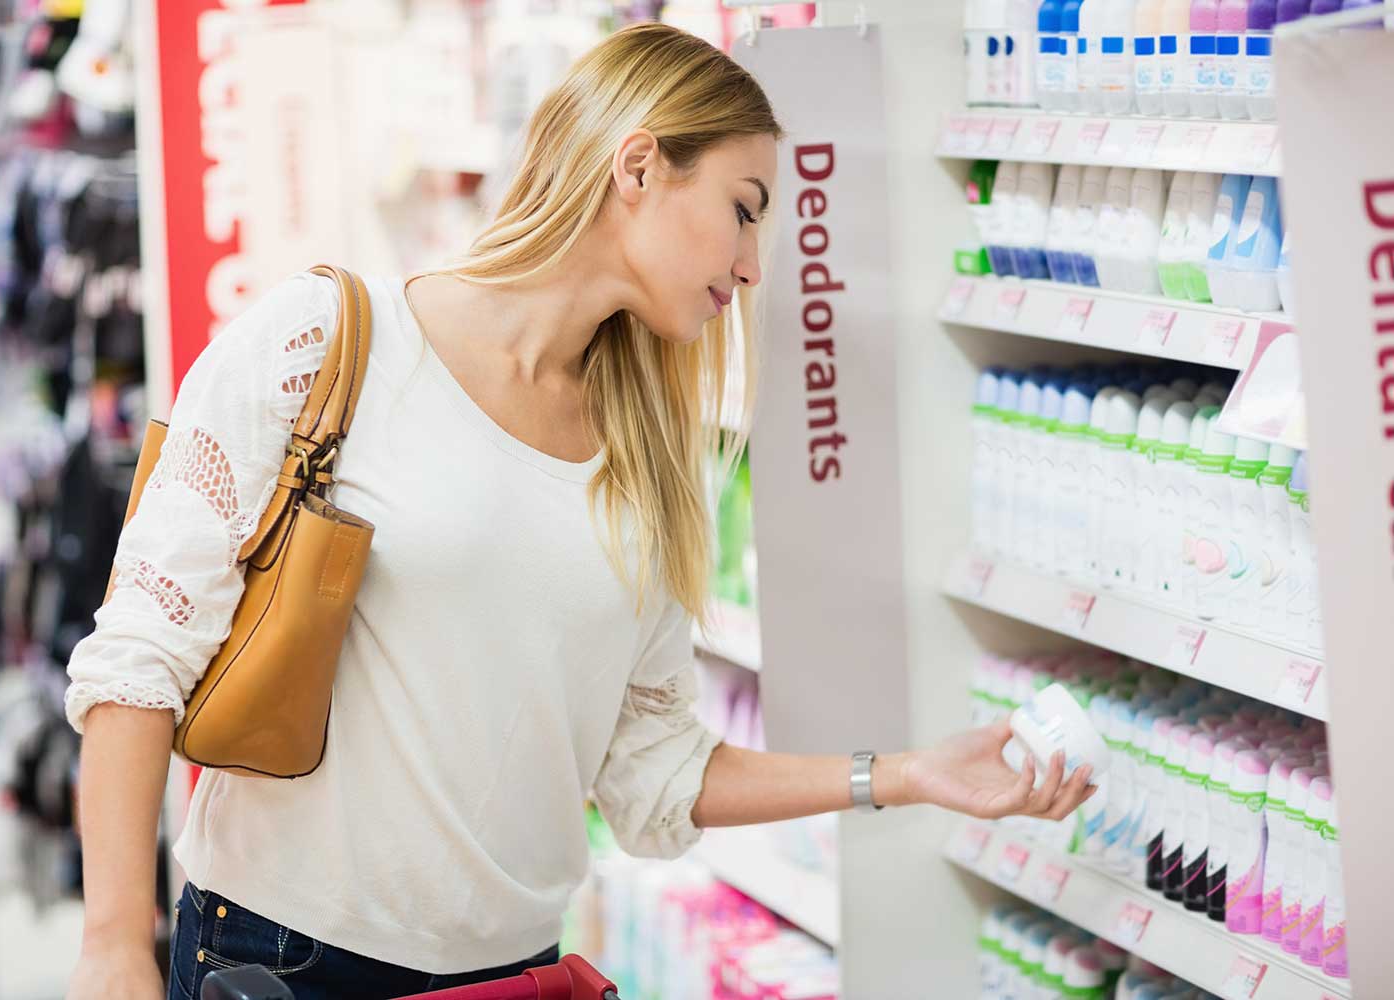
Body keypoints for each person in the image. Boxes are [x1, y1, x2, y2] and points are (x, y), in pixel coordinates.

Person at [64, 22, 1094, 1000]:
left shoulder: (648, 463)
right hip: (282, 961)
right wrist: (115, 947)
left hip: (515, 974)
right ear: (637, 167)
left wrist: (909, 774)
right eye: (743, 206)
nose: (752, 262)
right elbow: (139, 656)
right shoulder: (328, 342)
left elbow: (655, 775)